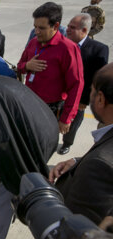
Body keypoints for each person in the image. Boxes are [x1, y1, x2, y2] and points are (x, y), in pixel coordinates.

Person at [49, 62, 113, 225]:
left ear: (100, 99)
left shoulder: (99, 166)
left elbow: (74, 228)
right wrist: (78, 162)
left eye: (91, 90)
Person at [17, 2, 84, 135]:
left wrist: (66, 118)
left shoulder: (68, 49)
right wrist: (27, 66)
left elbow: (76, 85)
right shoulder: (33, 42)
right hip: (29, 102)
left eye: (41, 28)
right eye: (35, 27)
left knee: (43, 142)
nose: (36, 32)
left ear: (56, 26)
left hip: (50, 108)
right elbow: (19, 66)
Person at [58, 13, 109, 155]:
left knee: (72, 124)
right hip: (59, 94)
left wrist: (84, 100)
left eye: (72, 27)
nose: (67, 29)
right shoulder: (62, 44)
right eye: (68, 26)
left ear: (84, 31)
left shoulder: (98, 49)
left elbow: (96, 78)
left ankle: (67, 143)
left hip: (79, 98)